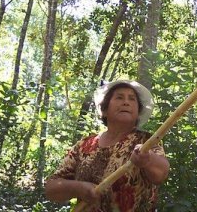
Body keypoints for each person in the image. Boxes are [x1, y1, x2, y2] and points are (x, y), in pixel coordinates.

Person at [45, 80, 170, 212]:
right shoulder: (84, 145)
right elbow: (51, 188)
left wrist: (147, 159)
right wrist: (79, 188)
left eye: (132, 99)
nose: (126, 102)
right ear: (104, 110)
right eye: (119, 97)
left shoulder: (146, 141)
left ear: (138, 112)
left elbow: (161, 174)